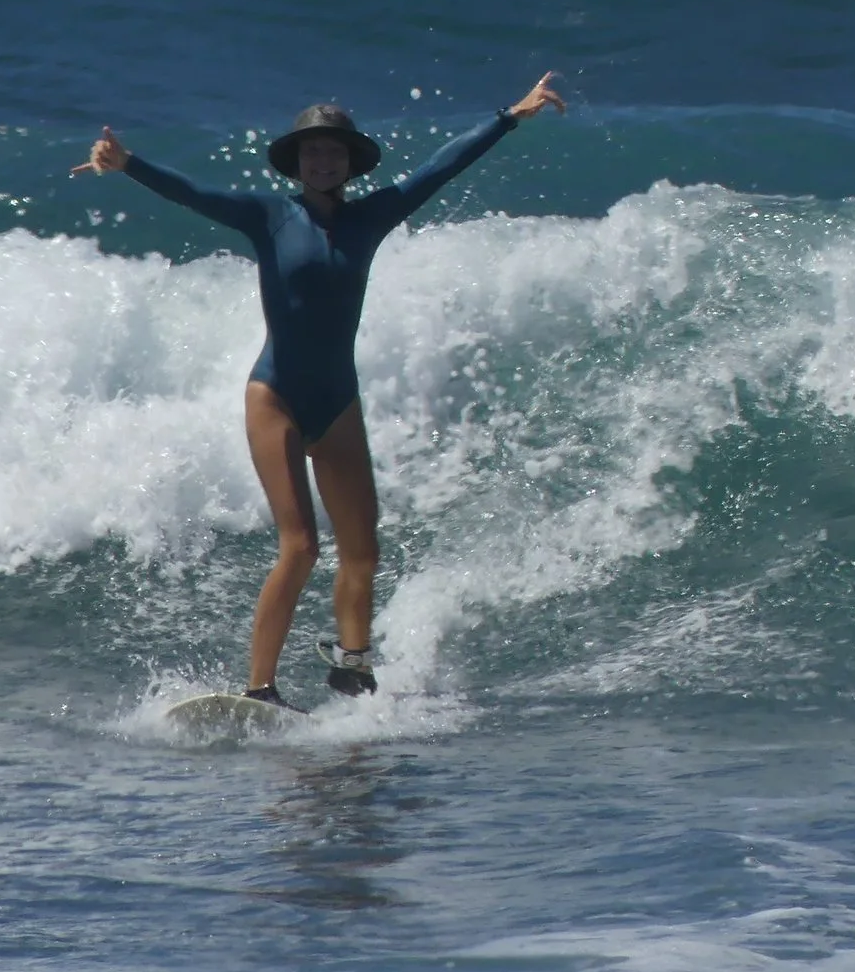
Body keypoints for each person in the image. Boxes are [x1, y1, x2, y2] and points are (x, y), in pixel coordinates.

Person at [77, 74, 565, 704]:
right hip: (275, 395)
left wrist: (510, 117)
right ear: (297, 160)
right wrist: (128, 164)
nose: (322, 158)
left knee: (363, 550)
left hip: (337, 404)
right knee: (301, 545)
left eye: (333, 150)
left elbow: (442, 169)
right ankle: (261, 689)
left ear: (350, 161)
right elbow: (194, 194)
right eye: (312, 150)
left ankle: (352, 665)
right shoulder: (268, 216)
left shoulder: (372, 217)